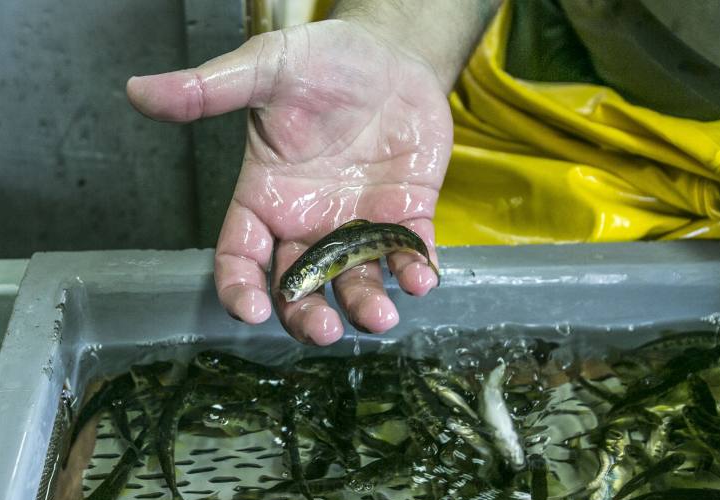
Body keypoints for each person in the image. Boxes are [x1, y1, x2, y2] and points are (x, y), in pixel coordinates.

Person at [126, 0, 494, 345]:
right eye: (297, 281)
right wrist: (392, 38)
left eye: (299, 281)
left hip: (434, 183)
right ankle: (423, 260)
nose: (294, 288)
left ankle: (423, 258)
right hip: (411, 189)